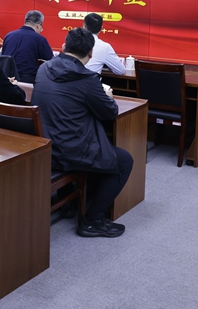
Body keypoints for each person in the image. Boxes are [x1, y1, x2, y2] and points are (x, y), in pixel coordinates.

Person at [32, 28, 133, 238]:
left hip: (43, 146)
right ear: (90, 53)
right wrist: (106, 95)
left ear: (64, 47)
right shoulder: (87, 79)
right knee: (124, 161)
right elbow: (110, 112)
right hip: (70, 151)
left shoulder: (43, 68)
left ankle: (69, 202)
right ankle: (92, 220)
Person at [1, 10, 54, 84]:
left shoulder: (8, 36)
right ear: (39, 25)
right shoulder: (39, 39)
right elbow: (50, 59)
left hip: (7, 79)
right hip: (28, 80)